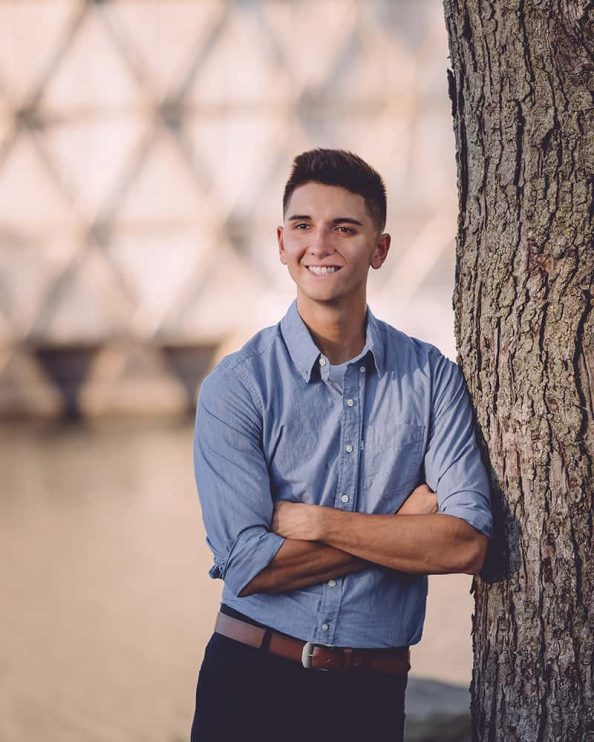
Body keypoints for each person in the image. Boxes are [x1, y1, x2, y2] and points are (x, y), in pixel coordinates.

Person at [190, 149, 492, 742]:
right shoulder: (237, 385)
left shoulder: (431, 378)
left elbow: (465, 542)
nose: (319, 245)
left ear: (378, 249)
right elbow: (250, 564)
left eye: (344, 228)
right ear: (281, 242)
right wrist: (400, 528)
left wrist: (315, 523)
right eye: (303, 226)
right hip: (248, 683)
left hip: (371, 699)